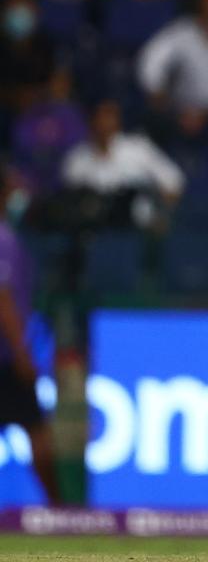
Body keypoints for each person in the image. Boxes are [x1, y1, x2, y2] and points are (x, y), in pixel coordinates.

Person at [0, 168, 60, 504]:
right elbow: (3, 298)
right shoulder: (3, 238)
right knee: (37, 434)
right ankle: (58, 512)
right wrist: (22, 353)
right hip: (6, 357)